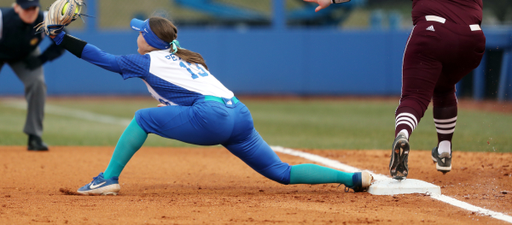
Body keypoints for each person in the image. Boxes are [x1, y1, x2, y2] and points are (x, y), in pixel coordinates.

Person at [48, 16, 373, 195]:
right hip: (239, 113)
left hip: (211, 116)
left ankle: (108, 178)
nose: (136, 35)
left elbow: (102, 59)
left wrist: (60, 37)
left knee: (143, 118)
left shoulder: (146, 61)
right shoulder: (183, 56)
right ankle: (352, 179)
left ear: (148, 39)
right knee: (280, 172)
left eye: (139, 32)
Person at [303, 0, 512, 180]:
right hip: (472, 41)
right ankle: (444, 151)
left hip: (431, 35)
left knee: (414, 96)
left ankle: (402, 134)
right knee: (444, 86)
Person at [0, 0, 66, 151]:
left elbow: (63, 42)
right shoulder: (2, 19)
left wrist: (41, 59)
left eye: (34, 8)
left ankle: (34, 136)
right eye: (25, 8)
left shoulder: (46, 20)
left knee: (37, 83)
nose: (30, 12)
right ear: (16, 7)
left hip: (25, 56)